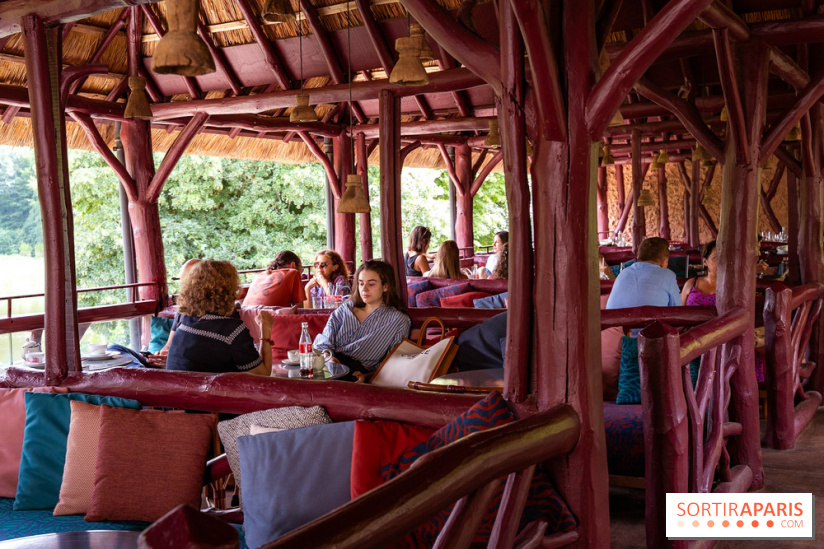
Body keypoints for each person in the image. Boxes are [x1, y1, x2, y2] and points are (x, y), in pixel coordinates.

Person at [166, 259, 273, 375]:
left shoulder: (185, 321)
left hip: (175, 386)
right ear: (229, 290)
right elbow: (263, 375)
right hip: (204, 387)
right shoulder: (232, 331)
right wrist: (265, 329)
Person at [313, 260, 411, 376]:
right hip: (328, 364)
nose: (364, 289)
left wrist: (366, 377)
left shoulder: (399, 321)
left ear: (385, 286)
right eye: (361, 283)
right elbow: (323, 341)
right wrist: (328, 358)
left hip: (358, 373)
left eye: (371, 284)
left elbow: (393, 362)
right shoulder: (345, 309)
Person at [605, 237, 680, 310]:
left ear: (638, 257)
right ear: (664, 261)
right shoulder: (668, 275)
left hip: (612, 318)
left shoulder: (624, 272)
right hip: (648, 318)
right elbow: (676, 309)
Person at [680, 240, 717, 307]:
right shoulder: (691, 284)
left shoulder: (732, 287)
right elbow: (680, 310)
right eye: (715, 257)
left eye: (723, 257)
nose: (720, 261)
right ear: (705, 261)